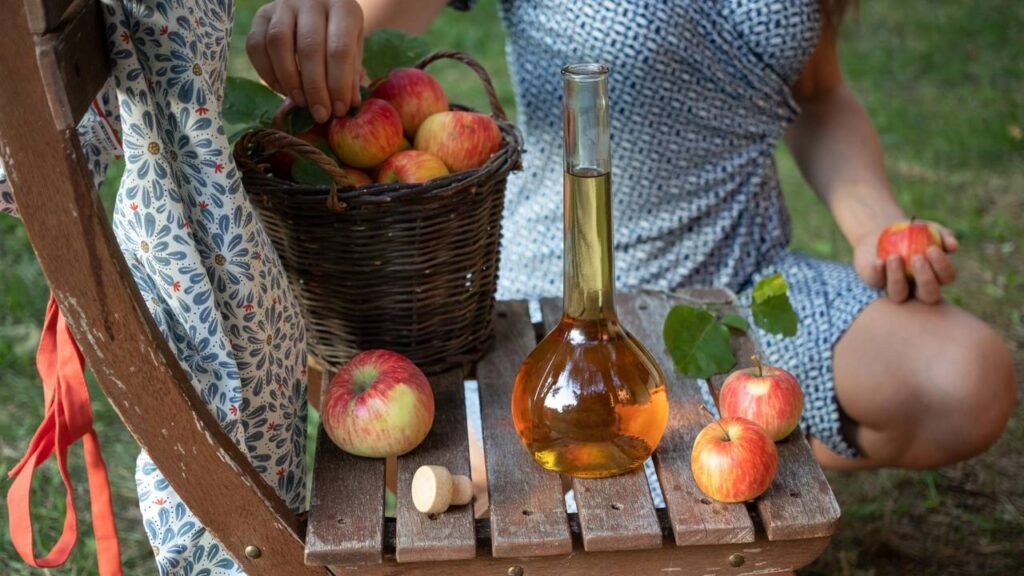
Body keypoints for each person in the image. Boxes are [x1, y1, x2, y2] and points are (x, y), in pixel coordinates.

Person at [245, 0, 1016, 473]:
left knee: (964, 379)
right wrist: (322, 18)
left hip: (736, 290)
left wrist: (873, 220)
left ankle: (762, 453)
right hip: (561, 302)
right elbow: (357, 27)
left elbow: (819, 96)